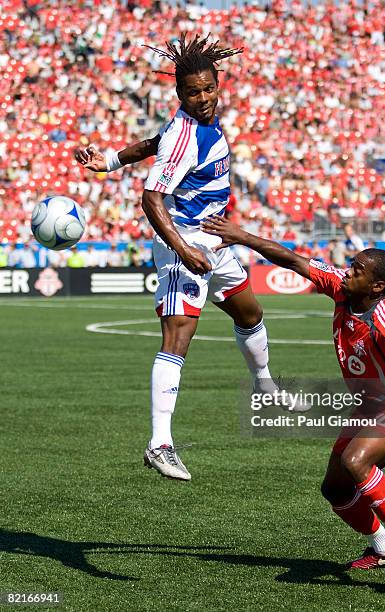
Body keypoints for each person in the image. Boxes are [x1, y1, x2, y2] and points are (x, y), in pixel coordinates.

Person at [74, 34, 280, 481]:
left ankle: (265, 387)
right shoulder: (185, 136)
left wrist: (108, 160)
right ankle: (159, 443)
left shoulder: (191, 124)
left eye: (208, 88)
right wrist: (185, 250)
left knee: (250, 313)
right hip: (182, 244)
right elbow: (152, 199)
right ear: (179, 94)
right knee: (178, 339)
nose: (202, 98)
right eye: (193, 92)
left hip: (213, 239)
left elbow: (153, 141)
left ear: (217, 85)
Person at [202, 215, 385, 576]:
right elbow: (293, 260)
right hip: (369, 406)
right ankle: (382, 546)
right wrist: (241, 237)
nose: (347, 272)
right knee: (335, 488)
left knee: (356, 462)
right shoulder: (341, 289)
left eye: (357, 270)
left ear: (377, 286)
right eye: (351, 265)